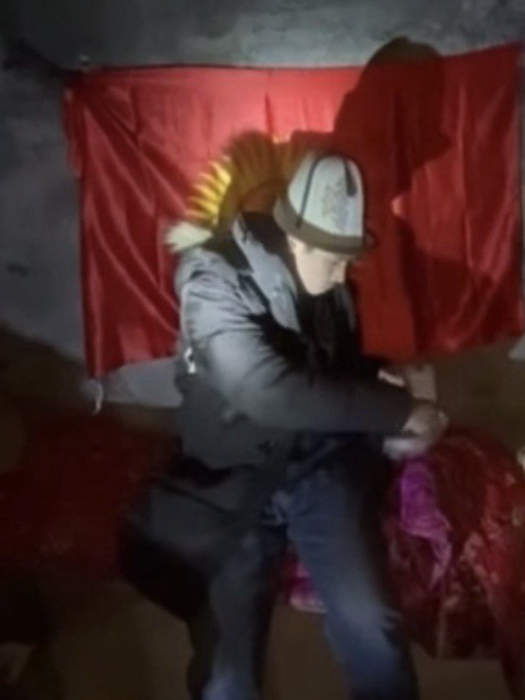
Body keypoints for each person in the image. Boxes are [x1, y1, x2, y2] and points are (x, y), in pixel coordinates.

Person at [121, 150, 448, 700]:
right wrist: (398, 409)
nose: (344, 274)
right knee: (226, 666)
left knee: (370, 619)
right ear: (295, 239)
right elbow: (265, 390)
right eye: (335, 260)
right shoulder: (213, 284)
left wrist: (381, 380)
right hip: (233, 477)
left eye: (348, 260)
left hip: (318, 467)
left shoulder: (330, 285)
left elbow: (332, 370)